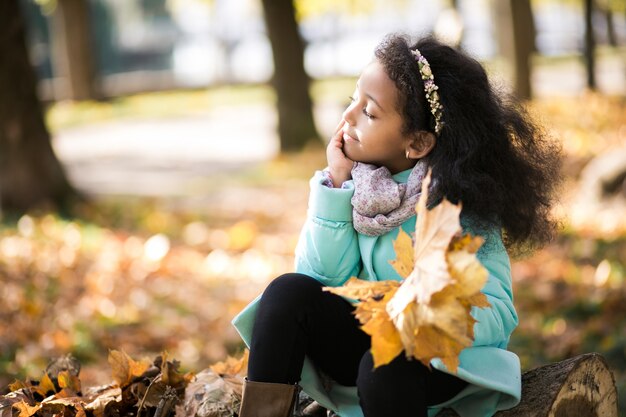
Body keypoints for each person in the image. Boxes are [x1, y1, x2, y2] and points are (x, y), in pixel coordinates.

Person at [232, 34, 561, 417]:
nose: (348, 117)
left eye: (369, 113)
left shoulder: (457, 204)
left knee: (384, 368)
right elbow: (320, 277)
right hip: (364, 345)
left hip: (437, 362)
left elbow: (499, 311)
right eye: (352, 100)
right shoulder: (354, 185)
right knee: (287, 292)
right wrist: (337, 187)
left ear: (417, 143)